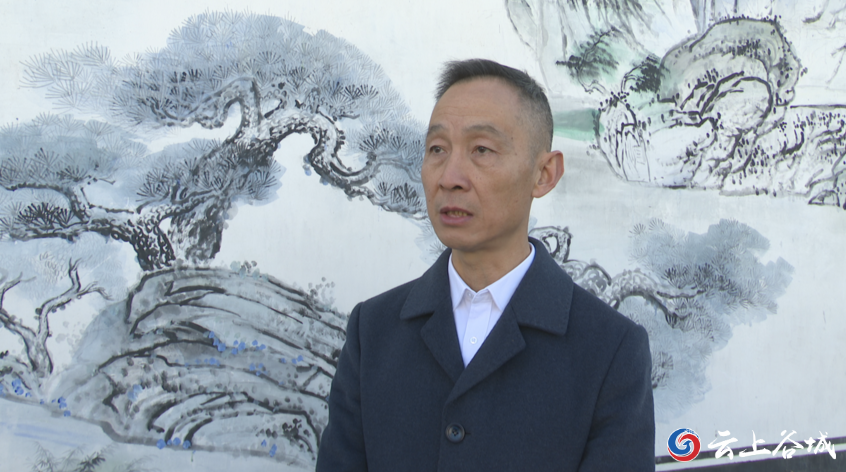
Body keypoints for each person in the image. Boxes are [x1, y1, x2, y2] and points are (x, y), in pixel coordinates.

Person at [316, 58, 655, 471]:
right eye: (437, 150)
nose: (450, 177)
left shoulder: (609, 349)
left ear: (544, 173)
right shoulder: (374, 331)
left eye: (481, 150)